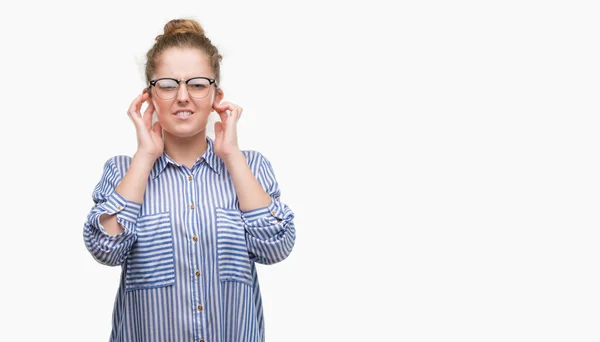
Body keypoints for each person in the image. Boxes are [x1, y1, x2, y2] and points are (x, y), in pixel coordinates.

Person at [83, 18, 296, 342]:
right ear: (150, 97)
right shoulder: (122, 171)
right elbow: (105, 250)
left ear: (216, 95)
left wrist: (232, 156)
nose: (183, 96)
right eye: (168, 85)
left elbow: (276, 247)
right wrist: (144, 156)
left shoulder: (250, 166)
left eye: (197, 84)